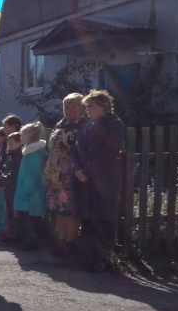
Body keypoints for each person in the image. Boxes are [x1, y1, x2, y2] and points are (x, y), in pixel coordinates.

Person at [75, 90, 125, 273]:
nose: (87, 109)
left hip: (105, 181)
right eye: (86, 106)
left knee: (103, 219)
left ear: (103, 106)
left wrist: (86, 171)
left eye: (91, 106)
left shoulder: (114, 124)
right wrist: (77, 170)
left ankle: (102, 260)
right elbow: (76, 149)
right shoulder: (88, 125)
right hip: (85, 179)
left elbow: (109, 153)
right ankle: (88, 257)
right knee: (87, 219)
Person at [45, 93, 86, 259]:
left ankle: (71, 243)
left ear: (81, 108)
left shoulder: (83, 126)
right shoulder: (59, 125)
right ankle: (61, 242)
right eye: (66, 107)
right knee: (58, 209)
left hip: (70, 174)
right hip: (55, 175)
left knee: (70, 210)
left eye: (73, 107)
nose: (68, 110)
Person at [13, 122, 49, 251]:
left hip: (31, 194)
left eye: (22, 135)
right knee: (28, 219)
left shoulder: (33, 153)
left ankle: (33, 242)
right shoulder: (30, 151)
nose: (20, 137)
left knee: (31, 220)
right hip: (29, 193)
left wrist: (24, 191)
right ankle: (28, 240)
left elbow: (33, 174)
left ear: (30, 136)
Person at [0, 132, 23, 245]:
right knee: (10, 212)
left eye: (11, 144)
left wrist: (3, 180)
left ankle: (17, 235)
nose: (9, 146)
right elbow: (5, 169)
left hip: (13, 188)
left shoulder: (19, 156)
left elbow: (13, 174)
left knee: (14, 214)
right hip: (8, 188)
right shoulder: (11, 155)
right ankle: (12, 233)